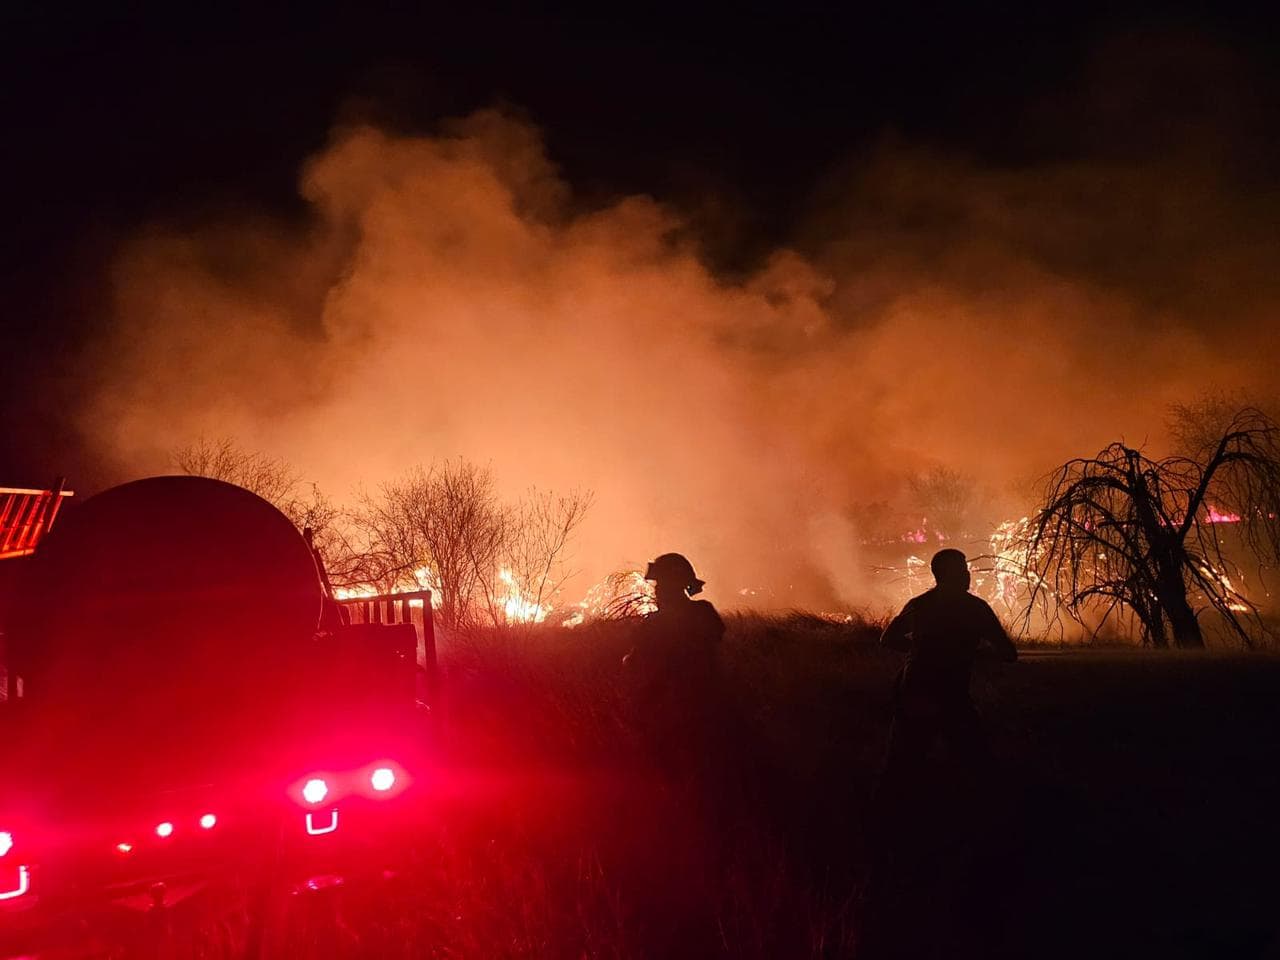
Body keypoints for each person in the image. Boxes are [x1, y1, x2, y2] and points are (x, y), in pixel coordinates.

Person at [879, 548, 1017, 790]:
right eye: (962, 569)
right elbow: (1008, 653)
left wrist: (919, 650)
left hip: (915, 689)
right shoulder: (975, 608)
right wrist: (973, 653)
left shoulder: (920, 605)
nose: (967, 574)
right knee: (975, 762)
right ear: (949, 574)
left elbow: (888, 639)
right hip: (950, 693)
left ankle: (891, 812)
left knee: (903, 763)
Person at [624, 553, 726, 775]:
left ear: (672, 586)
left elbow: (634, 664)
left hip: (670, 712)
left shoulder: (655, 624)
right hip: (708, 707)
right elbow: (716, 636)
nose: (656, 590)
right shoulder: (704, 612)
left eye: (661, 584)